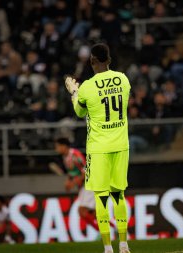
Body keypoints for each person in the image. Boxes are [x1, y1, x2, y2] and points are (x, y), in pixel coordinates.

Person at [65, 43, 131, 253]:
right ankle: (123, 245)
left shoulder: (87, 87)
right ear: (109, 60)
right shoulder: (123, 79)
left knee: (101, 198)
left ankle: (107, 248)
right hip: (121, 145)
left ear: (92, 62)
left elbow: (80, 112)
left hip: (98, 148)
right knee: (118, 195)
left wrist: (74, 92)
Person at [53, 137, 98, 231]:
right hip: (83, 186)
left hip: (89, 183)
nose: (56, 149)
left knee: (82, 211)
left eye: (57, 146)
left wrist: (73, 183)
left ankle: (103, 232)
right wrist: (68, 181)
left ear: (64, 146)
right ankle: (111, 230)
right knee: (93, 212)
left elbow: (86, 172)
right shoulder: (66, 157)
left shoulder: (75, 155)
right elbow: (72, 172)